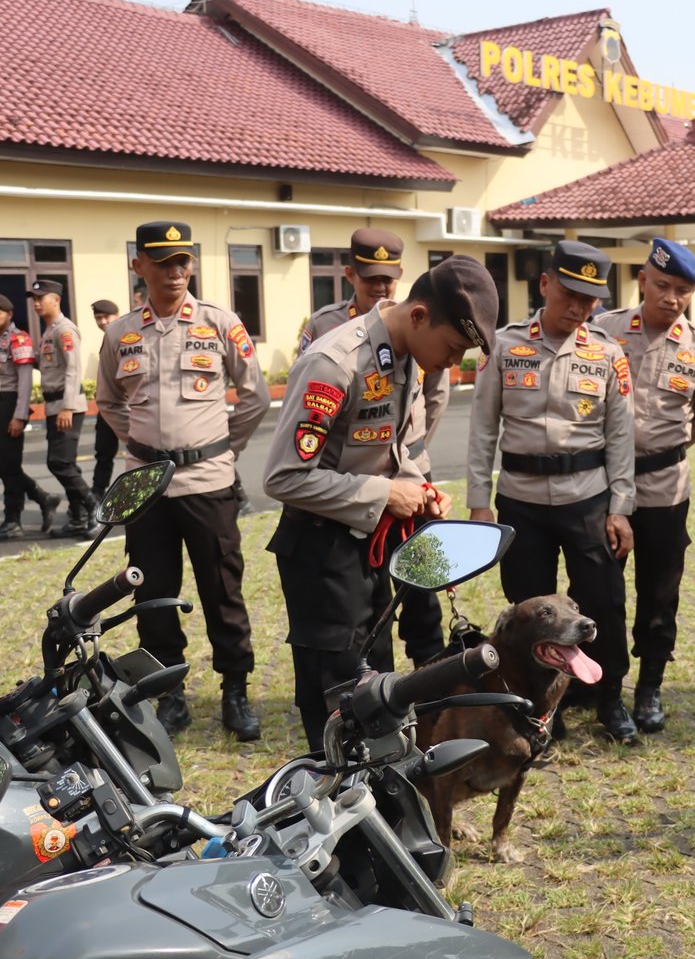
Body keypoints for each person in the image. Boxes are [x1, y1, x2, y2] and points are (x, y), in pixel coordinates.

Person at [265, 256, 496, 750]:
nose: (454, 364)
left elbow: (398, 449)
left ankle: (381, 803)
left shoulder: (407, 354)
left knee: (378, 691)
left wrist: (418, 491)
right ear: (418, 316)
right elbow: (284, 476)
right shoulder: (335, 362)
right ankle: (338, 809)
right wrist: (385, 494)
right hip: (322, 552)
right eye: (454, 348)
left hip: (371, 542)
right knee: (338, 694)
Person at [96, 221, 270, 742]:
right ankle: (168, 692)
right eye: (162, 262)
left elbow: (255, 396)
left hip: (208, 481)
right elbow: (108, 400)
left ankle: (234, 691)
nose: (174, 272)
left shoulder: (219, 323)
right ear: (138, 266)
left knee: (222, 589)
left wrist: (218, 446)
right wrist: (146, 448)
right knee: (151, 592)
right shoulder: (120, 333)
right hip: (147, 487)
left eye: (182, 262)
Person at [466, 240, 639, 744]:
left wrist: (621, 508)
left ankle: (609, 700)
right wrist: (479, 503)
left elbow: (621, 436)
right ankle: (540, 707)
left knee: (603, 604)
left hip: (587, 497)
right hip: (520, 499)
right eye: (570, 294)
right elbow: (481, 430)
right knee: (528, 612)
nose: (580, 308)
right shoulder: (501, 345)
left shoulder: (608, 353)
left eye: (590, 300)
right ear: (545, 285)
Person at [298, 228, 448, 671]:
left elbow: (433, 396)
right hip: (349, 484)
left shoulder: (422, 324)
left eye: (388, 280)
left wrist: (409, 461)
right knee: (360, 613)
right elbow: (309, 415)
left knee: (423, 591)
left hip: (407, 478)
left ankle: (429, 672)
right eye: (370, 279)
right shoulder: (326, 329)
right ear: (349, 274)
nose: (380, 288)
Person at [593, 238, 695, 732]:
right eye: (663, 285)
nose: (672, 299)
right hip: (604, 486)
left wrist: (660, 451)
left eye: (684, 291)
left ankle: (648, 688)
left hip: (666, 489)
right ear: (642, 280)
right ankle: (601, 685)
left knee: (659, 593)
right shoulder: (602, 332)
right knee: (601, 590)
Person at [0, 293, 59, 541]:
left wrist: (20, 416)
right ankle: (42, 497)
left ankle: (13, 520)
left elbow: (24, 382)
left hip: (11, 404)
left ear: (9, 315)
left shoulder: (19, 338)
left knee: (9, 465)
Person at [26, 280, 96, 538]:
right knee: (65, 463)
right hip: (54, 405)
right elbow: (49, 366)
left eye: (40, 298)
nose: (35, 303)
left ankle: (94, 507)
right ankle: (77, 517)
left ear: (55, 300)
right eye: (33, 298)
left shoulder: (65, 330)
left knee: (59, 463)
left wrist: (67, 407)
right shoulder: (49, 331)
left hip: (67, 406)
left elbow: (73, 368)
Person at [90, 298, 122, 504]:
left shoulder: (128, 336)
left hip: (131, 405)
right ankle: (97, 494)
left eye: (106, 317)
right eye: (98, 318)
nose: (102, 321)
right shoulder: (108, 338)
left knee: (144, 454)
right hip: (109, 405)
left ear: (116, 316)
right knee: (103, 453)